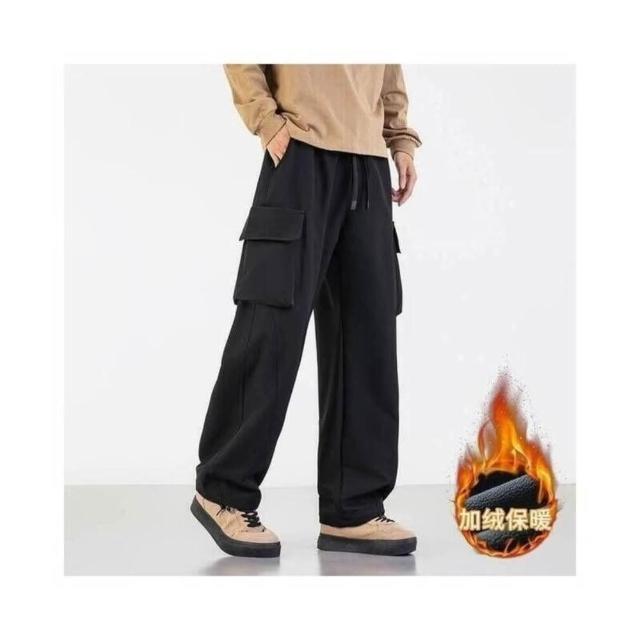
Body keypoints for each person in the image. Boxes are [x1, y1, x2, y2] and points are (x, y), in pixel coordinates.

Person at [191, 64, 421, 558]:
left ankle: (353, 509)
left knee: (368, 339)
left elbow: (387, 64)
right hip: (299, 154)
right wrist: (267, 121)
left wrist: (399, 138)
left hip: (367, 164)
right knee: (270, 328)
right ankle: (223, 490)